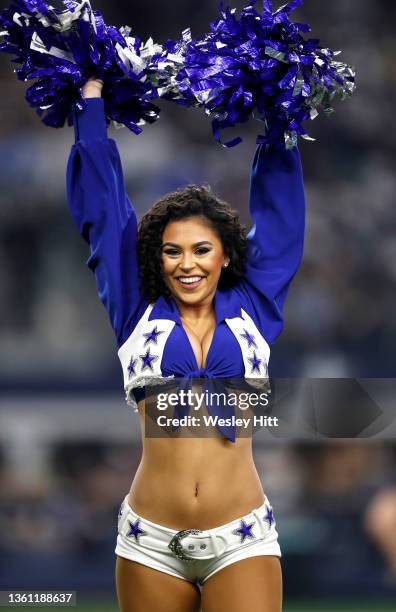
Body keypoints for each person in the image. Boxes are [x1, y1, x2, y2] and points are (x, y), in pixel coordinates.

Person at [66, 77, 305, 612]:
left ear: (226, 255)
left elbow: (283, 221)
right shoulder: (135, 309)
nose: (187, 263)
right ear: (157, 257)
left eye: (202, 250)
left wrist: (280, 116)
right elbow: (105, 217)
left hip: (241, 537)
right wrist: (90, 102)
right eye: (172, 252)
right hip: (149, 540)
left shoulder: (256, 308)